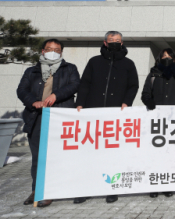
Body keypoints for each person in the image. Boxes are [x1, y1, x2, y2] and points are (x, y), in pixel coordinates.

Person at [74, 31, 139, 204]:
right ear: (105, 43)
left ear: (122, 43)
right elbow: (85, 83)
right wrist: (80, 103)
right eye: (111, 41)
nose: (115, 43)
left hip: (115, 115)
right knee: (90, 153)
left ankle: (112, 187)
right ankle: (86, 188)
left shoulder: (128, 63)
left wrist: (127, 102)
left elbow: (133, 86)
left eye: (118, 41)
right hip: (92, 112)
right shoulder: (94, 62)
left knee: (112, 153)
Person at [17, 39, 80, 208]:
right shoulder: (32, 71)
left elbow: (75, 85)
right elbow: (21, 90)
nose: (53, 51)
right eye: (49, 49)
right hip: (36, 117)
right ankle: (36, 190)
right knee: (38, 157)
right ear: (43, 51)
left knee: (57, 156)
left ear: (61, 52)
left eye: (57, 49)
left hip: (60, 117)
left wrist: (55, 95)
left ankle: (51, 190)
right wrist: (33, 102)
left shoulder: (70, 68)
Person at [141, 48, 175, 198]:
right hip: (155, 120)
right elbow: (145, 94)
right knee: (155, 153)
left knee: (169, 154)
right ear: (159, 59)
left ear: (174, 59)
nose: (166, 58)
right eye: (163, 56)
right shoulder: (153, 74)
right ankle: (154, 185)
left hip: (172, 121)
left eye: (169, 56)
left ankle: (167, 184)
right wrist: (150, 103)